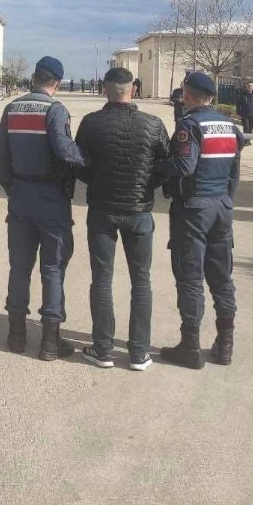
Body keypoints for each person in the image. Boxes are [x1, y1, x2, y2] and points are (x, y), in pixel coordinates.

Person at [74, 67, 170, 371]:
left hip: (102, 210)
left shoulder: (91, 123)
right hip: (139, 212)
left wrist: (97, 181)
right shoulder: (153, 124)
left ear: (105, 90)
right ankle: (139, 353)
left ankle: (103, 350)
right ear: (134, 89)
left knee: (102, 279)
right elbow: (165, 166)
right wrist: (146, 187)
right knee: (141, 280)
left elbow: (79, 163)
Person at [0, 56, 87, 361]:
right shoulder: (55, 110)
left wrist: (14, 189)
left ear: (34, 78)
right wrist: (87, 163)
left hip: (20, 197)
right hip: (51, 200)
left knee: (19, 267)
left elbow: (1, 162)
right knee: (53, 268)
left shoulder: (11, 109)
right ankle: (49, 342)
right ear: (57, 83)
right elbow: (66, 152)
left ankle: (16, 336)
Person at [154, 71, 245, 370]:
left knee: (190, 278)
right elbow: (235, 172)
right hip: (221, 208)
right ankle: (225, 344)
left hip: (194, 210)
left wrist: (157, 166)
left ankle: (189, 346)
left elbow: (184, 165)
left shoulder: (190, 125)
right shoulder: (229, 125)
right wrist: (227, 200)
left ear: (187, 94)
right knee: (221, 277)